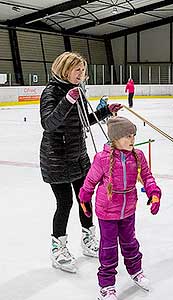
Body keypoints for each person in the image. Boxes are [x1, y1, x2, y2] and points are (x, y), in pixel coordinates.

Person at [40, 52, 122, 273]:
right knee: (65, 203)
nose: (82, 75)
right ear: (65, 69)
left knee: (85, 198)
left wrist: (106, 111)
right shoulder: (51, 92)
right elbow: (48, 123)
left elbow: (86, 120)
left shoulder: (77, 91)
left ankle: (88, 240)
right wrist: (68, 100)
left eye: (83, 71)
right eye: (78, 71)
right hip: (56, 159)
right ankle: (58, 248)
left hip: (78, 157)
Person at [78, 116, 161, 300]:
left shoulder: (137, 156)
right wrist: (84, 198)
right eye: (127, 136)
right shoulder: (102, 158)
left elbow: (147, 177)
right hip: (107, 211)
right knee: (108, 248)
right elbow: (91, 181)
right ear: (115, 139)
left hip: (128, 209)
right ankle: (106, 286)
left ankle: (136, 271)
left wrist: (154, 193)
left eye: (133, 135)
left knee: (130, 243)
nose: (132, 140)